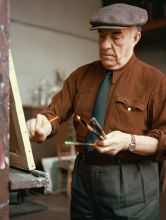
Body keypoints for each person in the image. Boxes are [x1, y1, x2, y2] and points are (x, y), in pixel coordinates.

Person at [27, 3, 166, 220]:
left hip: (130, 179)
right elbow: (54, 112)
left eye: (116, 36)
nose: (105, 45)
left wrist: (128, 141)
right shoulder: (81, 76)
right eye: (101, 36)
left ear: (136, 38)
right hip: (85, 177)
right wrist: (42, 124)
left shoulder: (155, 81)